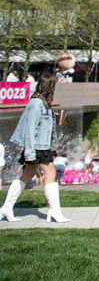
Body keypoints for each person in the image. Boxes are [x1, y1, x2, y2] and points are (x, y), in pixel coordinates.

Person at [1, 74, 69, 223]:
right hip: (38, 148)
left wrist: (52, 117)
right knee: (50, 172)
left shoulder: (41, 103)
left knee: (27, 174)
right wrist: (30, 153)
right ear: (49, 87)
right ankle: (55, 211)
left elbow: (38, 124)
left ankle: (6, 207)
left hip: (39, 146)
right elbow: (30, 129)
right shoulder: (37, 103)